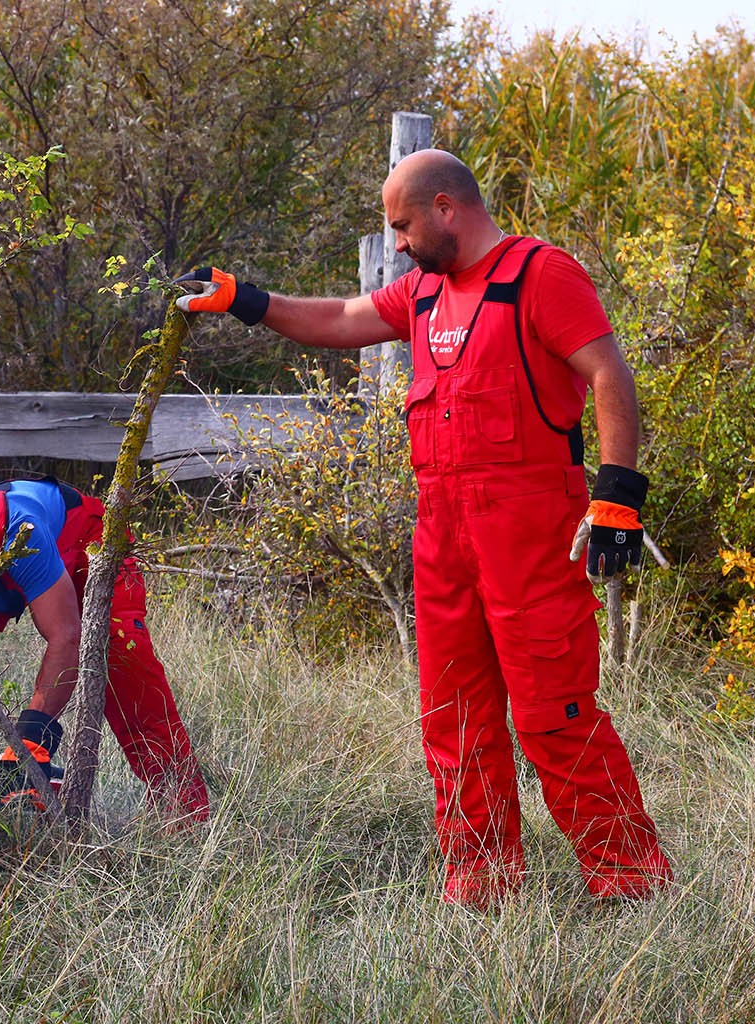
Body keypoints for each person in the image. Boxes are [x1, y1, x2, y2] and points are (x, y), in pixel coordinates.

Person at [174, 149, 670, 905]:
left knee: (553, 716)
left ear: (447, 208)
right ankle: (482, 882)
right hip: (442, 541)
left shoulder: (541, 274)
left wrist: (618, 499)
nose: (397, 243)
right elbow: (341, 318)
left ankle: (630, 880)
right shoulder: (423, 293)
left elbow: (609, 373)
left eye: (403, 226)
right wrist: (248, 300)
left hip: (530, 536)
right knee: (454, 716)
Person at [0, 477, 209, 823]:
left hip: (79, 543)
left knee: (121, 652)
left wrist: (30, 743)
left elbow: (67, 637)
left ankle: (183, 811)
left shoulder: (19, 528)